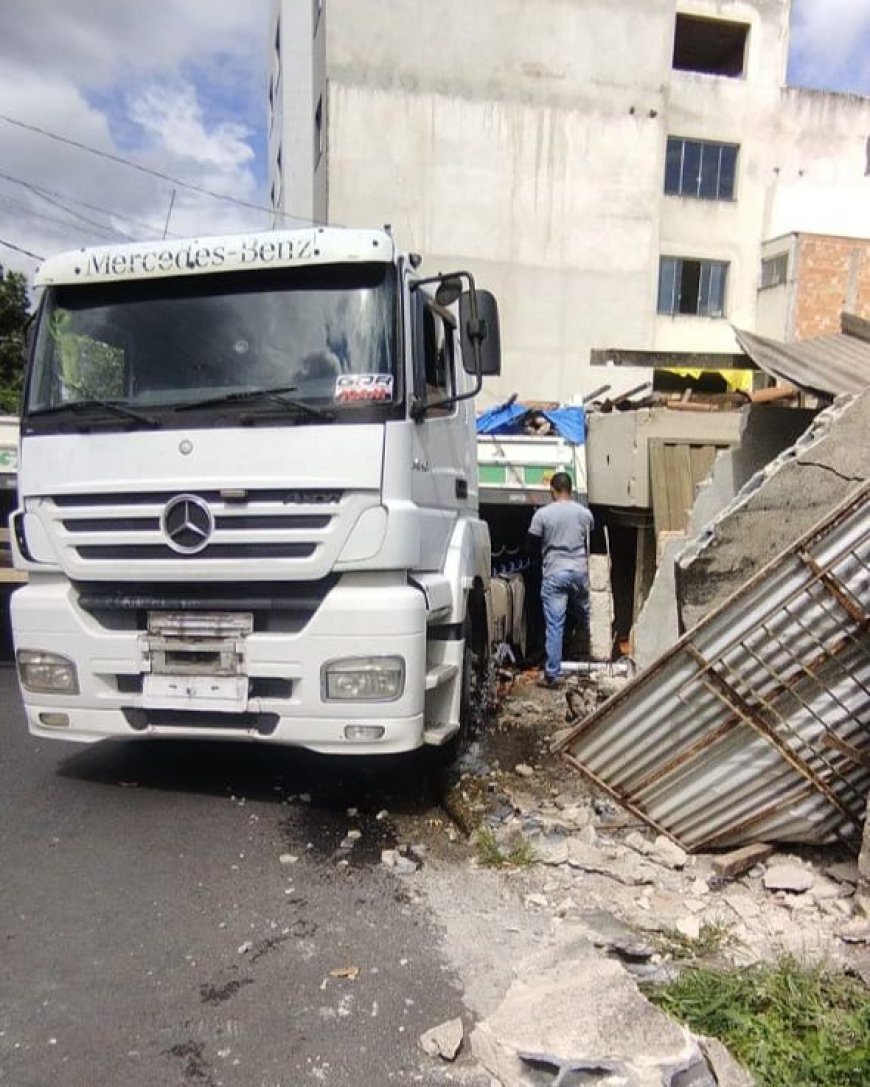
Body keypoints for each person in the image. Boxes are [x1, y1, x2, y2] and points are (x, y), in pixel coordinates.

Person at [526, 471, 594, 688]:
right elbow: (590, 535)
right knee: (590, 617)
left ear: (552, 491)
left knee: (555, 624)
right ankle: (604, 660)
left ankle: (553, 674)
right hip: (580, 572)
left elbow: (530, 545)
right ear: (571, 490)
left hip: (555, 573)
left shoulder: (543, 515)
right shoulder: (584, 514)